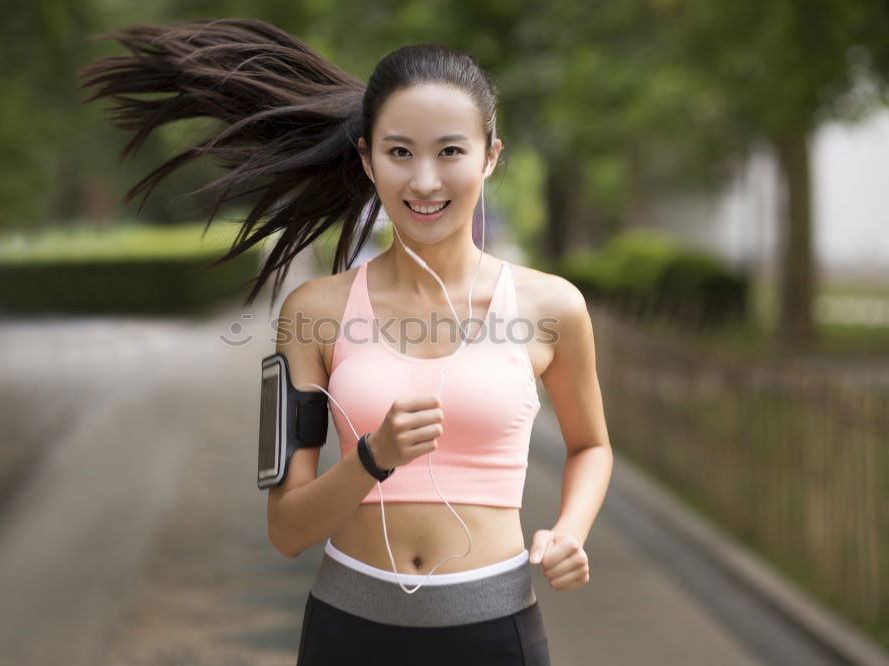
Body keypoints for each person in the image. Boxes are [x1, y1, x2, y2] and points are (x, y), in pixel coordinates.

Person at [79, 18, 613, 665]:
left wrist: (569, 532)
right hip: (348, 632)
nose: (423, 182)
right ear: (366, 159)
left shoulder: (552, 306)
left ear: (490, 155)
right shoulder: (315, 313)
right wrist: (372, 458)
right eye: (399, 152)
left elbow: (590, 446)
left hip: (493, 630)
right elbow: (287, 530)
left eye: (450, 152)